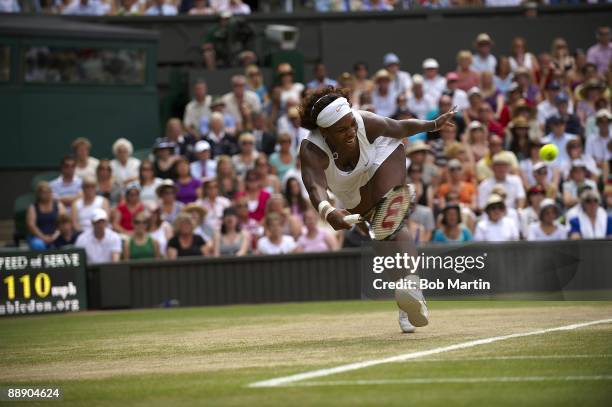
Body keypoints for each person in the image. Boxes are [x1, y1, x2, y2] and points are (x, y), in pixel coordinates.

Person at [298, 87, 455, 332]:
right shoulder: (311, 150)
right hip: (347, 185)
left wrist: (433, 124)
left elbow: (400, 128)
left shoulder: (365, 122)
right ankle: (404, 302)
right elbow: (314, 185)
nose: (351, 131)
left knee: (388, 220)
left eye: (351, 124)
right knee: (380, 236)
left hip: (381, 152)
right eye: (342, 130)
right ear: (325, 131)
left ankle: (412, 287)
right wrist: (328, 211)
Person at [27, 181, 66, 250]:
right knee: (38, 245)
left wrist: (54, 236)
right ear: (39, 194)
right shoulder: (33, 208)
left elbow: (63, 222)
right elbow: (31, 225)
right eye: (44, 192)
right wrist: (43, 238)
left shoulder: (59, 205)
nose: (47, 194)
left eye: (49, 192)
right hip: (38, 237)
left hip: (57, 236)